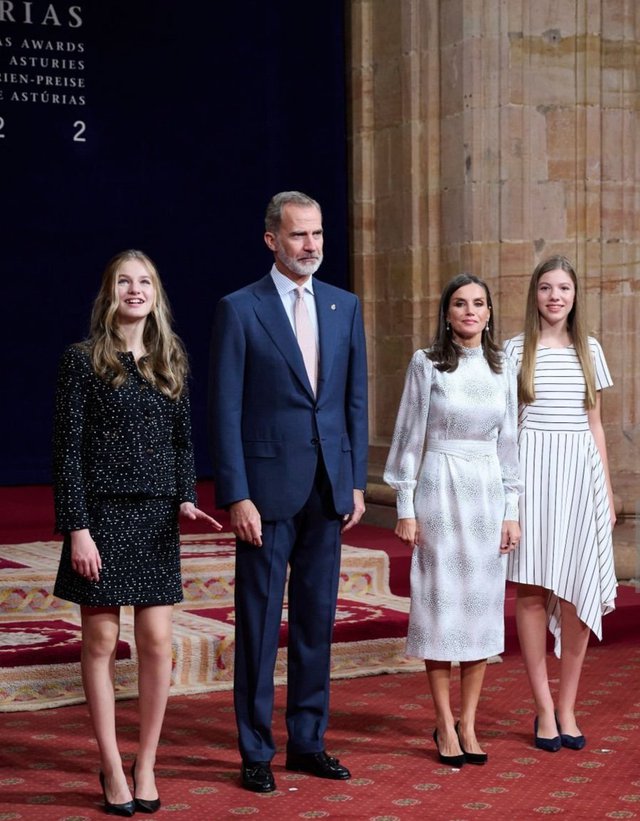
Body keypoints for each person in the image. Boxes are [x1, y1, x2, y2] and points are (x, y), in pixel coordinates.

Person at [209, 191, 368, 793]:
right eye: (299, 236)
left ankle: (308, 741)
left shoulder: (343, 306)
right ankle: (255, 749)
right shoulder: (240, 308)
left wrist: (354, 481)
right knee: (256, 624)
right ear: (272, 239)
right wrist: (237, 495)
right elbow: (225, 410)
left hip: (329, 486)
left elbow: (353, 399)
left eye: (318, 235)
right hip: (266, 492)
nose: (311, 246)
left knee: (315, 622)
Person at [53, 250, 221, 816]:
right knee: (100, 643)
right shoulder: (82, 362)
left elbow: (182, 442)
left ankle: (145, 761)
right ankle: (109, 762)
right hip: (99, 518)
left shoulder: (170, 360)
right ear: (110, 293)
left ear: (156, 293)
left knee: (155, 643)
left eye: (144, 281)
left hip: (154, 523)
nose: (135, 289)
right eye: (124, 281)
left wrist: (187, 498)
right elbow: (67, 452)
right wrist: (77, 529)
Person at [384, 274, 521, 767]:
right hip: (439, 490)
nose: (469, 311)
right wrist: (404, 505)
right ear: (447, 313)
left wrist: (512, 512)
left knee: (481, 612)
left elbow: (509, 445)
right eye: (460, 304)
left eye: (478, 304)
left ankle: (469, 721)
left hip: (486, 493)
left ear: (488, 313)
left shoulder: (502, 366)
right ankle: (443, 722)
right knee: (441, 609)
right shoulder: (427, 363)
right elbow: (407, 433)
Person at [504, 255, 617, 752]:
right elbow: (505, 430)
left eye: (564, 288)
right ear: (535, 295)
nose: (555, 296)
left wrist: (609, 493)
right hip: (530, 478)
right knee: (530, 591)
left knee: (575, 593)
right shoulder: (513, 351)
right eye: (546, 288)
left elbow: (596, 426)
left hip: (580, 477)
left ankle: (568, 705)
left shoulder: (589, 350)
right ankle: (543, 709)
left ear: (574, 296)